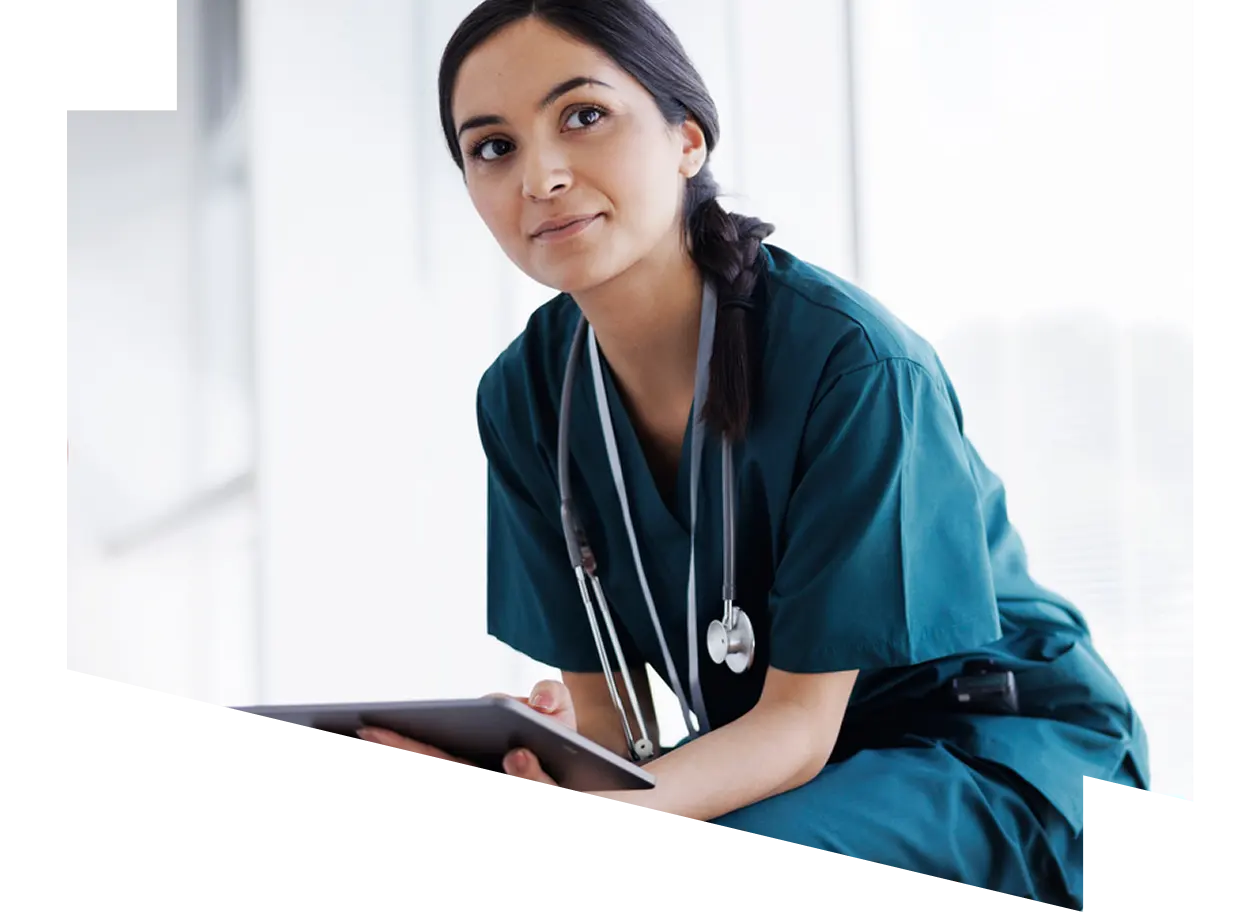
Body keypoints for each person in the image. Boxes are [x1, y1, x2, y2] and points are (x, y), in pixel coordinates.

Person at [356, 1, 1149, 907]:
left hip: (993, 751)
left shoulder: (852, 364)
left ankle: (1208, 867)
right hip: (767, 771)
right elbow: (611, 719)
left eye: (582, 116)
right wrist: (524, 759)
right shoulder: (526, 395)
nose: (540, 176)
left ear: (687, 138)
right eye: (492, 147)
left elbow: (796, 733)